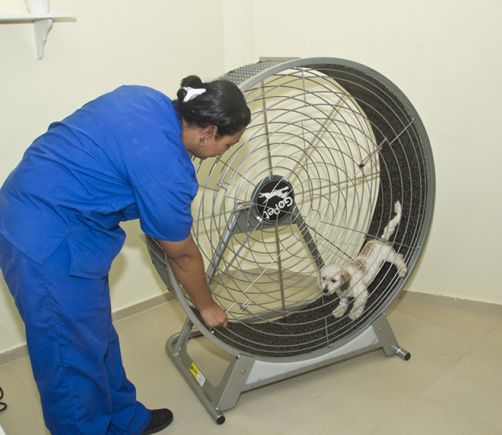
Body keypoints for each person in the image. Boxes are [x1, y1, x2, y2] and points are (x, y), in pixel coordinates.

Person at [0, 75, 251, 434]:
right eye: (228, 144)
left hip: (48, 209)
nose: (224, 152)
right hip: (43, 237)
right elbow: (182, 255)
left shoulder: (145, 98)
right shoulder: (168, 170)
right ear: (207, 132)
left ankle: (123, 420)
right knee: (70, 356)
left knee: (96, 335)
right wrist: (207, 306)